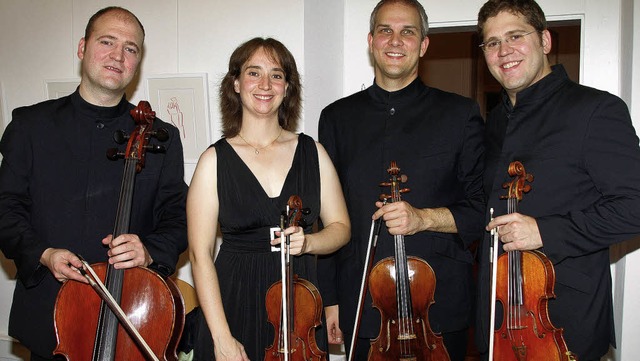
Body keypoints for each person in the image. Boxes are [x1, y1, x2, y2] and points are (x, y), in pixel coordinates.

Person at [0, 7, 188, 361]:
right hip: (50, 322)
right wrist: (44, 253)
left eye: (131, 48)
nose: (118, 55)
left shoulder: (162, 138)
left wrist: (148, 250)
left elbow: (179, 219)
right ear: (82, 48)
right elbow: (5, 210)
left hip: (131, 315)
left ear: (137, 61)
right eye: (107, 42)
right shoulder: (30, 126)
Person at [317, 0, 486, 359]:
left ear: (423, 45)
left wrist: (423, 218)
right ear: (371, 41)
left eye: (408, 31)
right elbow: (327, 216)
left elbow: (481, 210)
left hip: (438, 308)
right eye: (385, 30)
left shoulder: (461, 114)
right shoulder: (336, 118)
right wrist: (329, 300)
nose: (395, 40)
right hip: (361, 304)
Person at [475, 1, 640, 360]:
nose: (504, 51)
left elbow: (635, 207)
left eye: (515, 36)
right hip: (500, 317)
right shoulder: (496, 122)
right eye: (491, 42)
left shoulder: (595, 110)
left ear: (545, 40)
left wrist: (545, 232)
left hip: (564, 322)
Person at [187, 37, 350, 361]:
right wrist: (222, 339)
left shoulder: (313, 153)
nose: (265, 84)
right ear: (235, 83)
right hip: (233, 304)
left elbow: (341, 227)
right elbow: (199, 253)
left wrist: (310, 243)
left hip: (300, 309)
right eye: (253, 73)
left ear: (287, 87)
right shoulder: (213, 161)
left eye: (276, 75)